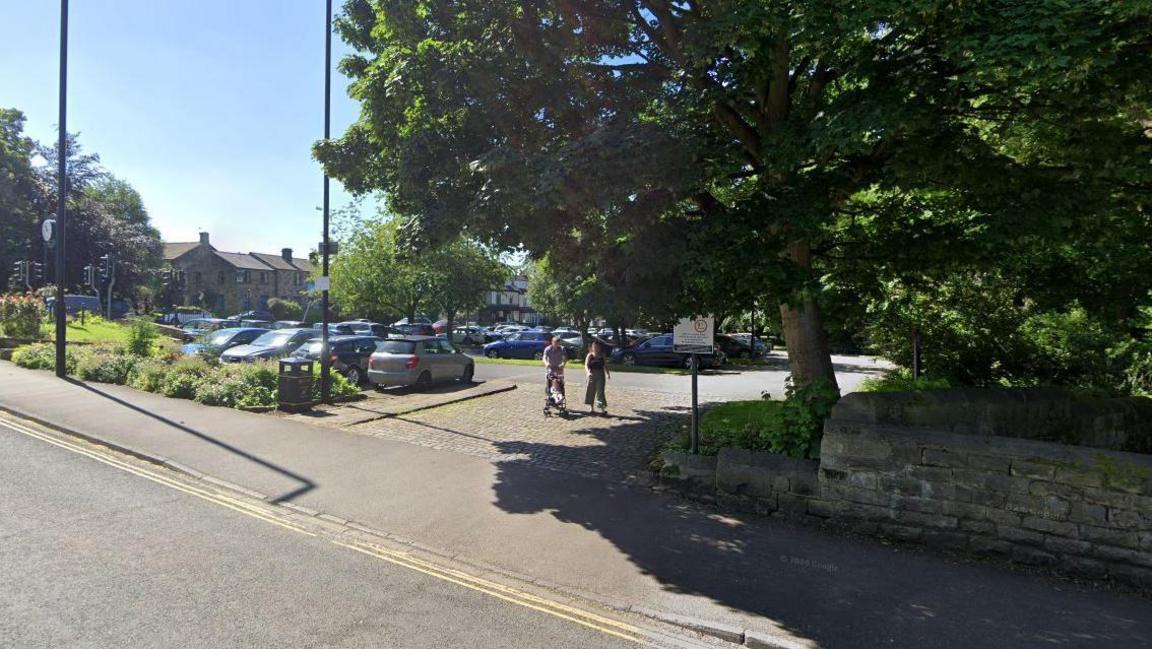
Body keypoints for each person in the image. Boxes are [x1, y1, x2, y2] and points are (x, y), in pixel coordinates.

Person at [584, 340, 610, 415]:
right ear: (592, 347)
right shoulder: (590, 355)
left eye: (597, 347)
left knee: (600, 392)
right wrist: (588, 372)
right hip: (592, 374)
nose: (596, 348)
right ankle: (591, 408)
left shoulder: (602, 355)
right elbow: (586, 365)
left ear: (599, 348)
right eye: (594, 347)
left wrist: (608, 374)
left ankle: (602, 409)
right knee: (591, 391)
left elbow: (605, 365)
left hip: (600, 374)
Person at [543, 335, 568, 400]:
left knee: (560, 383)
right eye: (555, 343)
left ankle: (560, 396)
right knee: (549, 382)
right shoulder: (548, 349)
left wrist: (563, 363)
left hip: (559, 369)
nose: (557, 344)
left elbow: (565, 358)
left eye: (558, 343)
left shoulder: (562, 349)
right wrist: (546, 363)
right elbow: (544, 357)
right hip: (550, 368)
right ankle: (549, 396)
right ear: (552, 342)